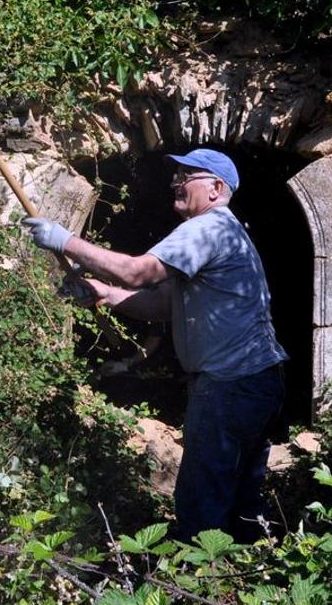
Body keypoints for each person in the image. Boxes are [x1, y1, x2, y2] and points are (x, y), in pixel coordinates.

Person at [23, 148, 286, 542]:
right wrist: (104, 294)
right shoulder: (223, 232)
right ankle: (252, 576)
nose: (174, 182)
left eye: (186, 175)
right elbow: (163, 304)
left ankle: (199, 587)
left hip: (230, 385)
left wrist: (66, 241)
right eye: (176, 174)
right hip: (254, 381)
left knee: (202, 497)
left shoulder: (207, 229)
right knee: (240, 494)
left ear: (216, 188)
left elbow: (138, 272)